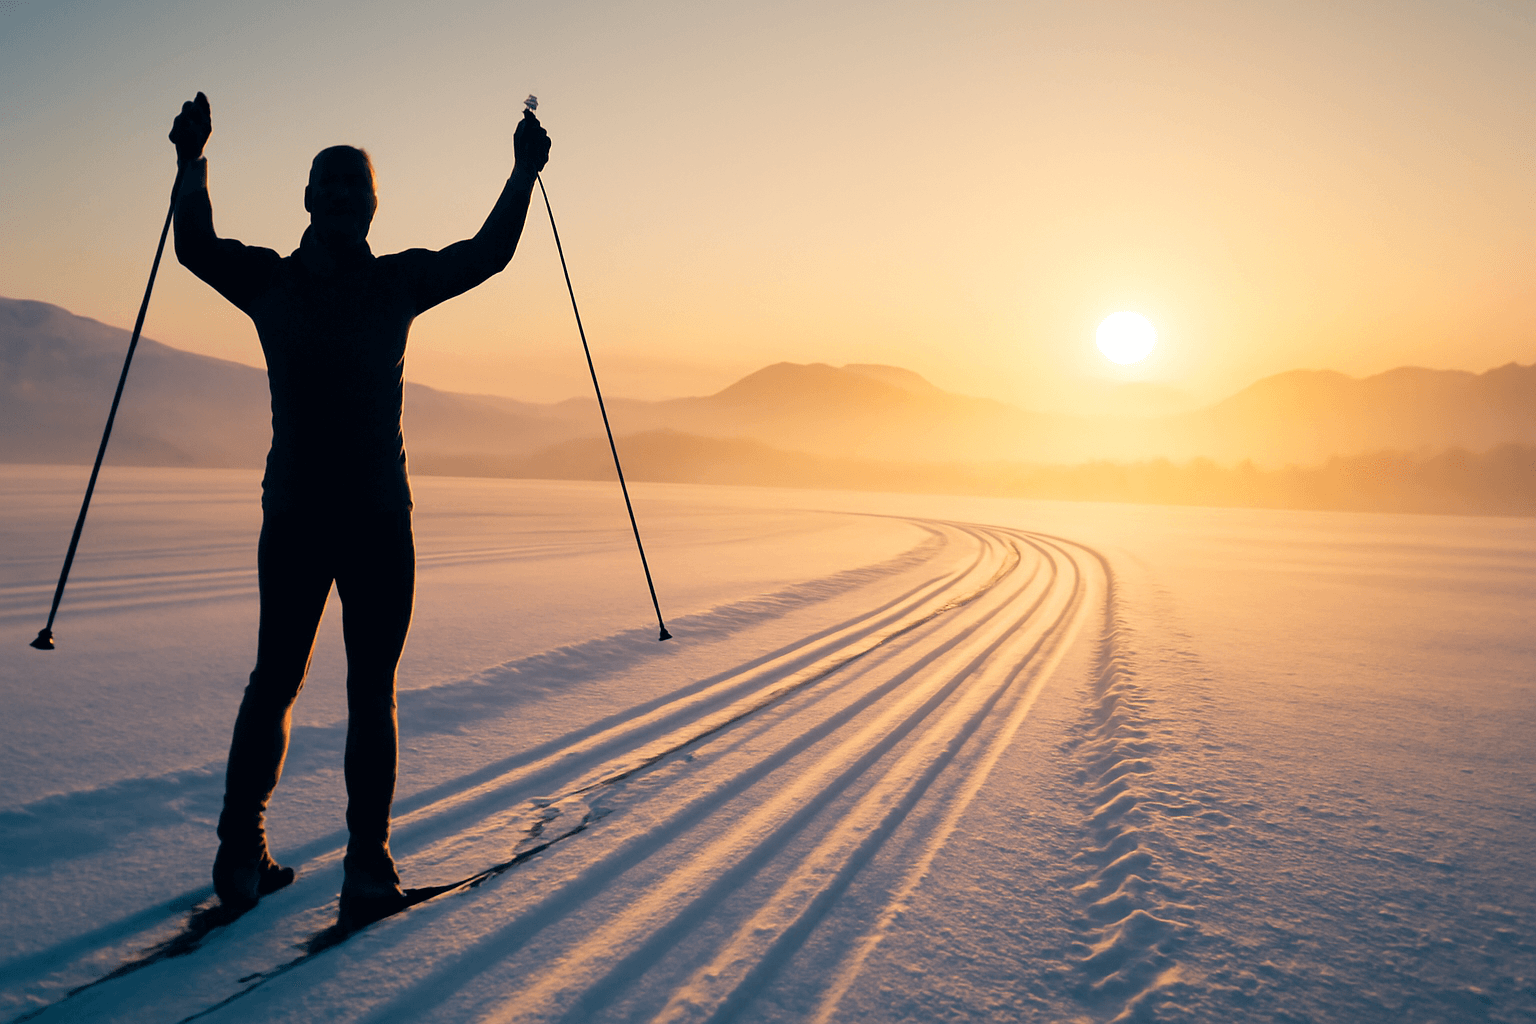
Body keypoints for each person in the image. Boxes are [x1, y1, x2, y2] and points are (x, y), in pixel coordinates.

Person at [168, 92, 551, 929]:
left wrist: (193, 162)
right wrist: (522, 174)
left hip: (300, 512)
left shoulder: (283, 281)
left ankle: (241, 858)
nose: (342, 195)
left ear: (362, 202)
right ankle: (365, 869)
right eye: (332, 184)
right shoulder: (393, 282)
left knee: (278, 677)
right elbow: (487, 254)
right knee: (366, 687)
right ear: (314, 199)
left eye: (351, 184)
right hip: (375, 514)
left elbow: (193, 246)